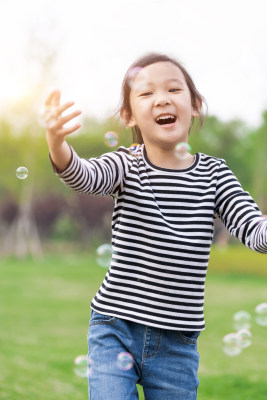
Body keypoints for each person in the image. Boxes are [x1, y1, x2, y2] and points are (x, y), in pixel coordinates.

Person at [44, 53, 267, 400]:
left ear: (194, 105)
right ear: (128, 115)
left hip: (177, 345)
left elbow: (253, 230)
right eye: (146, 94)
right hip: (114, 327)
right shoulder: (126, 164)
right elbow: (84, 176)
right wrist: (57, 144)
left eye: (173, 89)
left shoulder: (215, 175)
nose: (162, 98)